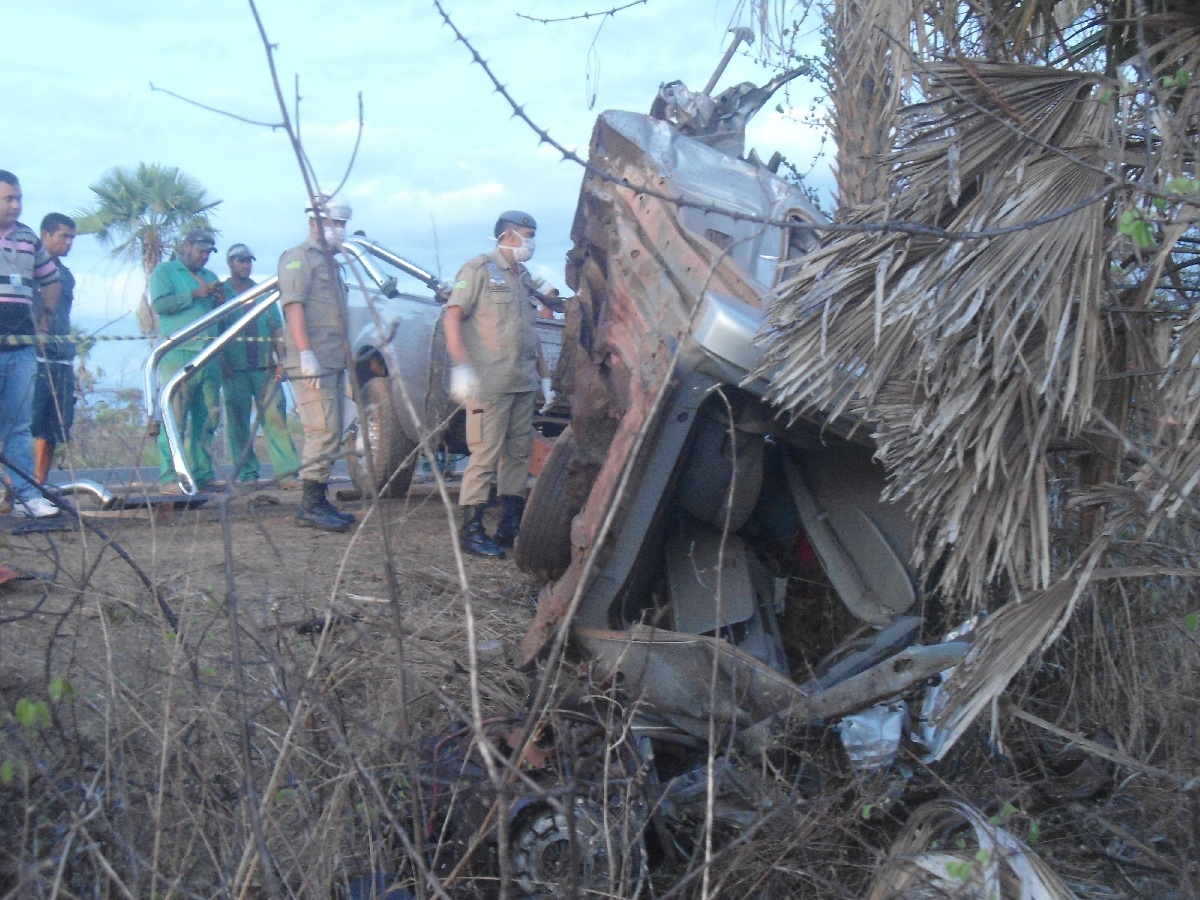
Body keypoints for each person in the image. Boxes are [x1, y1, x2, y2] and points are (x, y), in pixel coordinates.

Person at [443, 210, 555, 558]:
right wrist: (461, 368)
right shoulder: (479, 270)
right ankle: (472, 528)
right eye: (526, 233)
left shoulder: (521, 278)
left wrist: (544, 378)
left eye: (534, 233)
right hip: (489, 383)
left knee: (518, 455)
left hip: (521, 382)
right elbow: (452, 317)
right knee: (485, 455)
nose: (531, 241)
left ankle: (510, 523)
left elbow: (527, 331)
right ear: (507, 235)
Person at [278, 196, 357, 532]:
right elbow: (294, 306)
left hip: (332, 359)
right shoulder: (299, 258)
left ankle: (319, 499)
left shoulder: (332, 263)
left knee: (333, 430)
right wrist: (305, 352)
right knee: (321, 430)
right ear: (316, 223)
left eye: (342, 224)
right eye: (334, 223)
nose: (339, 230)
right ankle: (309, 506)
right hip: (312, 361)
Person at [0, 171, 62, 517]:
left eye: (19, 198)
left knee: (18, 425)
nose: (16, 205)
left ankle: (25, 496)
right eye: (9, 198)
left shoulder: (27, 238)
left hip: (21, 348)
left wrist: (44, 322)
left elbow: (50, 281)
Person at [219, 243, 301, 487]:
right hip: (234, 370)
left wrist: (281, 361)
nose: (245, 265)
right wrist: (222, 361)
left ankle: (287, 474)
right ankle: (247, 474)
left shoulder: (263, 292)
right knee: (238, 424)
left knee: (275, 419)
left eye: (248, 261)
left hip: (265, 369)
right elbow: (214, 330)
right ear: (230, 263)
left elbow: (277, 328)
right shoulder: (222, 294)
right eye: (240, 261)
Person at [150, 227, 223, 491]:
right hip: (178, 353)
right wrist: (194, 295)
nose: (204, 256)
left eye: (208, 252)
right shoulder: (165, 272)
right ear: (188, 247)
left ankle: (203, 474)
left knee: (207, 418)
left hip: (208, 354)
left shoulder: (210, 276)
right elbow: (160, 306)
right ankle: (170, 476)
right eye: (201, 250)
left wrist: (217, 298)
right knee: (175, 417)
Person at [30, 213, 77, 485]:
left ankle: (38, 487)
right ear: (45, 235)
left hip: (61, 359)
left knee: (53, 429)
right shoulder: (26, 268)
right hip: (31, 357)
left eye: (72, 237)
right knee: (22, 427)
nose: (69, 243)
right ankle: (13, 491)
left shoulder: (67, 276)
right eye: (64, 236)